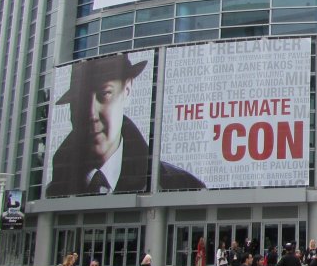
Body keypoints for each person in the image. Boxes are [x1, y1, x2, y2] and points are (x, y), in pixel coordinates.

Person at [45, 54, 205, 197]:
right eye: (80, 100)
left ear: (127, 90)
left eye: (104, 94)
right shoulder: (52, 191)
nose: (91, 114)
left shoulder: (181, 185)